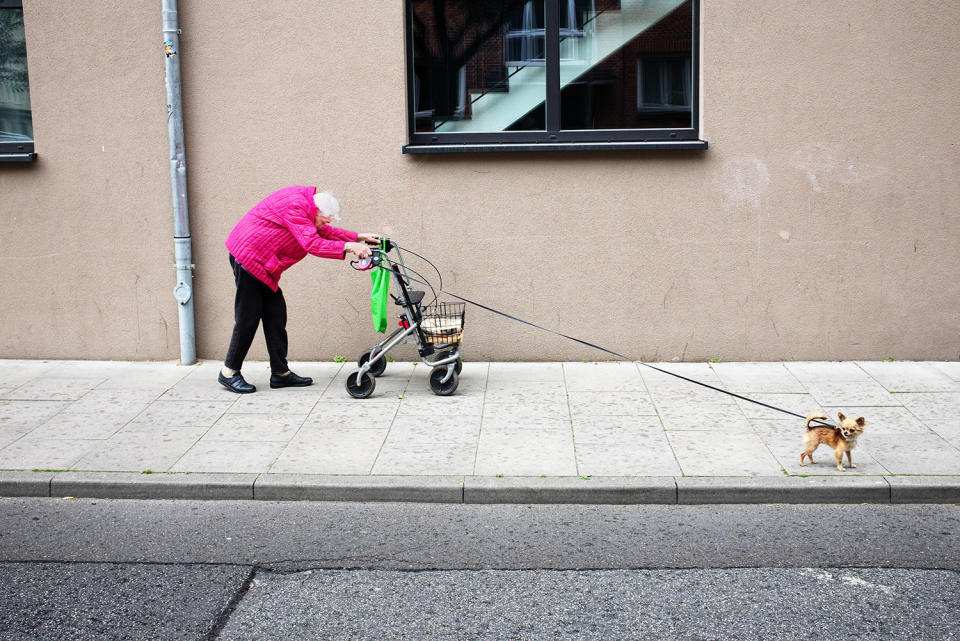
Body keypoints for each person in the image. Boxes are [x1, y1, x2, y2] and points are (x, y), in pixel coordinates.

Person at [218, 186, 379, 393]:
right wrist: (348, 247)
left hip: (263, 264)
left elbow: (323, 230)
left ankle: (280, 373)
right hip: (249, 258)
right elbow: (312, 243)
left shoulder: (309, 208)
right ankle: (228, 372)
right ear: (317, 211)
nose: (324, 224)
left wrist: (357, 237)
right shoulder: (297, 207)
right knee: (248, 317)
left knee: (276, 315)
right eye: (324, 219)